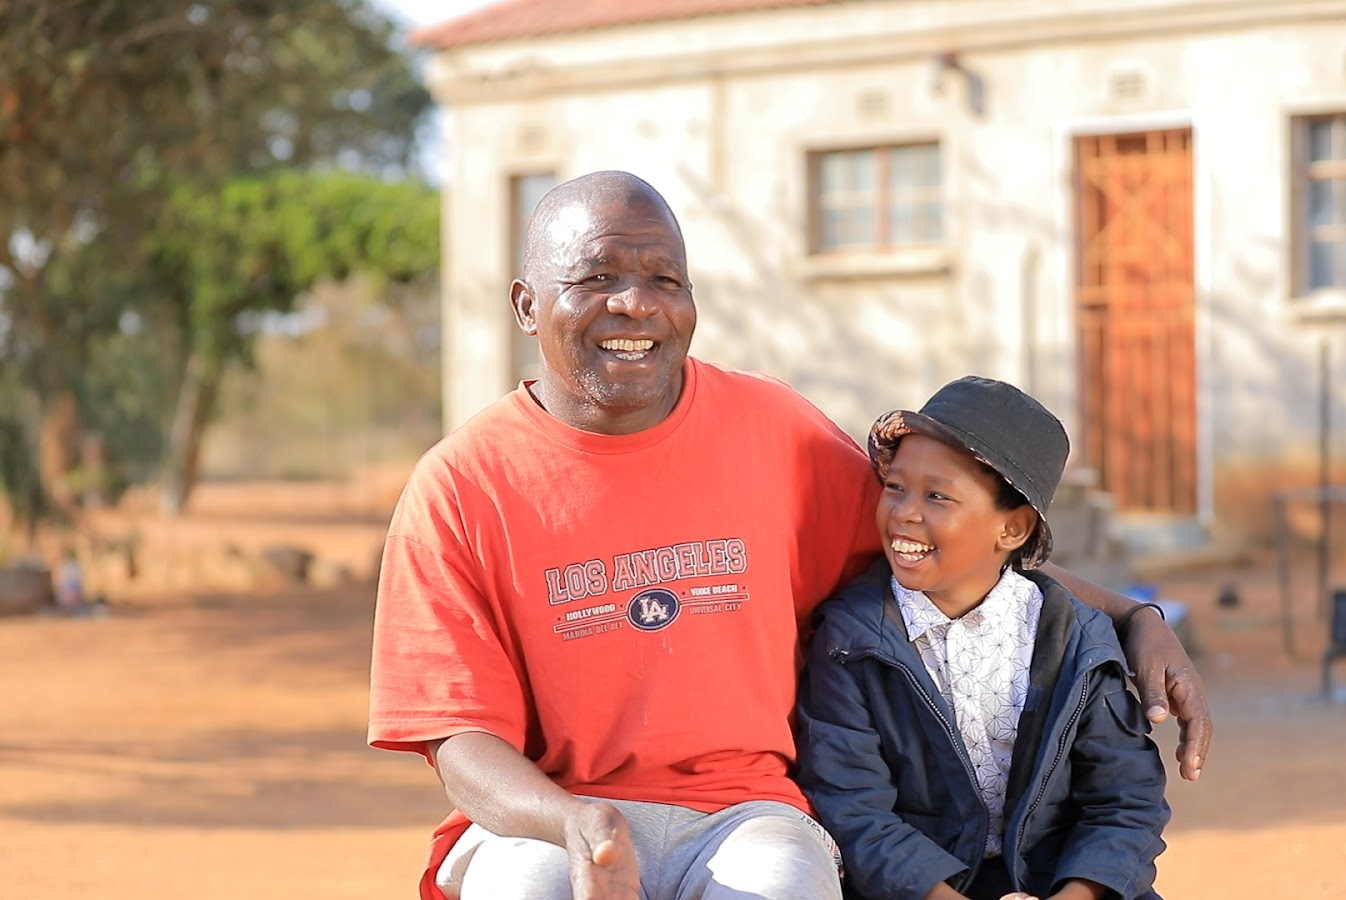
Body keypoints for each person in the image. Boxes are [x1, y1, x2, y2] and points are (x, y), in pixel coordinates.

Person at [367, 170, 1210, 900]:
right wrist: (572, 820)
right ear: (527, 305)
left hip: (745, 812)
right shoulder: (461, 485)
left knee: (781, 880)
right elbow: (457, 738)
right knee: (527, 885)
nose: (636, 303)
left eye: (666, 277)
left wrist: (1136, 619)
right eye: (595, 277)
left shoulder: (775, 431)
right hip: (545, 815)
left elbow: (943, 558)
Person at [796, 376, 1169, 900]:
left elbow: (1125, 799)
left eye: (937, 496)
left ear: (1012, 530)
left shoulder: (1076, 640)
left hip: (1062, 883)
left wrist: (1076, 894)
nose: (903, 511)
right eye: (895, 487)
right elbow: (852, 806)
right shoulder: (851, 637)